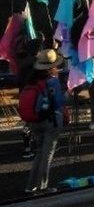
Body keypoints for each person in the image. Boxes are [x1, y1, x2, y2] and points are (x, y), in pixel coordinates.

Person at [25, 49, 66, 194]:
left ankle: (31, 186)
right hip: (51, 119)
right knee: (47, 155)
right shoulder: (52, 81)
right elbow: (59, 101)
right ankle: (42, 187)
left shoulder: (33, 79)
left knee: (39, 152)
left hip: (35, 120)